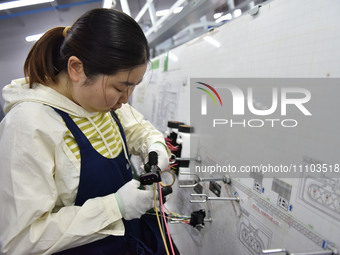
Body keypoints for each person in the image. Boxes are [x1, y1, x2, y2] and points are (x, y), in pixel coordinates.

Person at [0, 8, 172, 255]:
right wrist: (115, 207)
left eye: (133, 86)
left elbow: (138, 129)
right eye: (120, 87)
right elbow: (21, 239)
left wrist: (155, 147)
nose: (125, 99)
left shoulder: (101, 102)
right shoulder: (28, 126)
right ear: (77, 69)